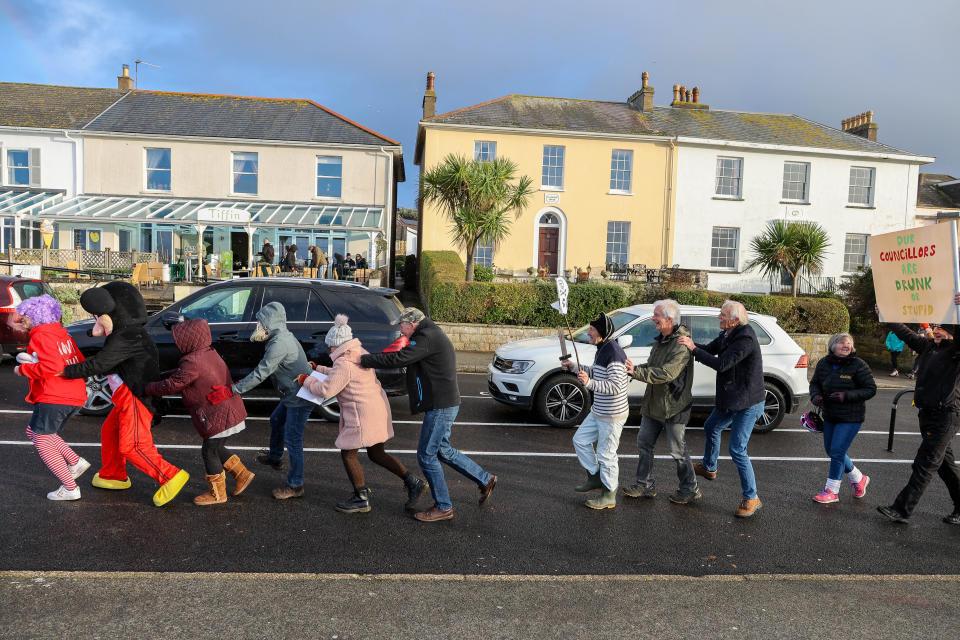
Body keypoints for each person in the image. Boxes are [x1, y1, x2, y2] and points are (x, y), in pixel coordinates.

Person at [349, 307, 496, 522]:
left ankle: (443, 507)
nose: (400, 329)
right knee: (443, 450)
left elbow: (399, 359)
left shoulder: (426, 337)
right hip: (444, 402)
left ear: (412, 324)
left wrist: (365, 360)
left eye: (402, 325)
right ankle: (484, 479)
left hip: (441, 405)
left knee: (426, 455)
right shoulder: (429, 334)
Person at [62, 282, 189, 507]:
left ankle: (170, 475)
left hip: (136, 398)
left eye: (98, 315)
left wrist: (64, 371)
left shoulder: (126, 337)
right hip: (124, 397)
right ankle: (113, 475)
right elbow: (111, 358)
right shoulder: (127, 334)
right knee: (110, 432)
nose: (96, 320)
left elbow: (100, 363)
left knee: (133, 445)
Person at [296, 314, 428, 513]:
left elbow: (326, 391)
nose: (329, 349)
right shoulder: (357, 352)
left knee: (348, 453)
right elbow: (339, 375)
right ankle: (413, 482)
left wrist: (306, 380)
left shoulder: (344, 363)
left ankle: (361, 497)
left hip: (361, 415)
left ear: (337, 344)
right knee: (377, 453)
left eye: (330, 346)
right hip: (375, 408)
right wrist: (318, 368)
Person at [144, 319, 255, 506]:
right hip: (230, 410)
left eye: (179, 339)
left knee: (209, 450)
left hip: (218, 414)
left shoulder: (192, 361)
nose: (177, 343)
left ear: (188, 340)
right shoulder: (208, 352)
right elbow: (181, 374)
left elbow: (174, 384)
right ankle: (242, 475)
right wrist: (162, 375)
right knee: (217, 446)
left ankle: (218, 494)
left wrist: (147, 387)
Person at [877, 295, 960, 525]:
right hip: (927, 414)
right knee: (945, 466)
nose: (937, 331)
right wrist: (887, 314)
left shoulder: (956, 352)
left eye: (943, 329)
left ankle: (902, 509)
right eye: (936, 328)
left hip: (947, 414)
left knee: (925, 463)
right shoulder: (926, 347)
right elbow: (905, 333)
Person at [678, 300, 764, 518]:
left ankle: (751, 497)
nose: (719, 317)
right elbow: (709, 350)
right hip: (732, 398)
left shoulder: (745, 338)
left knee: (737, 449)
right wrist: (689, 345)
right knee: (712, 426)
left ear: (734, 320)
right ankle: (709, 467)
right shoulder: (728, 334)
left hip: (747, 402)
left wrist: (694, 348)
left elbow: (722, 363)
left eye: (723, 315)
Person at [232, 302, 314, 500]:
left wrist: (236, 389)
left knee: (293, 440)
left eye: (260, 322)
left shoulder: (279, 343)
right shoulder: (282, 335)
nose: (257, 326)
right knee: (276, 420)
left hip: (299, 398)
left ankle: (296, 485)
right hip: (292, 394)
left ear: (270, 323)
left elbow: (262, 372)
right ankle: (275, 457)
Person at [622, 299, 700, 505]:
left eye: (656, 315)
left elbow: (667, 373)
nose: (653, 318)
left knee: (677, 450)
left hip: (674, 405)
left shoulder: (681, 343)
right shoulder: (662, 339)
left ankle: (690, 488)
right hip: (654, 403)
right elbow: (652, 365)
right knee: (644, 443)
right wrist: (633, 368)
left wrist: (637, 372)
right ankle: (644, 485)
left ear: (669, 319)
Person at [13, 294, 90, 501]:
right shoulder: (63, 335)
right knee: (34, 431)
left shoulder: (40, 336)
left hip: (55, 395)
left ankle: (70, 487)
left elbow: (51, 367)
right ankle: (74, 462)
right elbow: (78, 362)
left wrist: (24, 370)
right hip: (72, 394)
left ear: (37, 316)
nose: (23, 320)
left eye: (26, 316)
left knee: (42, 439)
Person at [563, 312, 630, 510]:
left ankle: (609, 494)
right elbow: (596, 371)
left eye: (591, 329)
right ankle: (595, 477)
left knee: (606, 454)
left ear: (601, 333)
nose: (589, 332)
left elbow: (616, 386)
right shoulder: (603, 348)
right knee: (580, 440)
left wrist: (589, 383)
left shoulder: (614, 353)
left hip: (611, 414)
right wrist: (575, 367)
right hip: (599, 410)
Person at [808, 333, 876, 504]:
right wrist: (815, 396)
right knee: (832, 451)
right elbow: (814, 383)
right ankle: (859, 478)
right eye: (841, 343)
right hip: (830, 415)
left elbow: (870, 389)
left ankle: (832, 490)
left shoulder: (858, 365)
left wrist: (847, 395)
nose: (846, 346)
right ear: (832, 345)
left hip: (851, 417)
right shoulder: (824, 363)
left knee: (837, 451)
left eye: (849, 343)